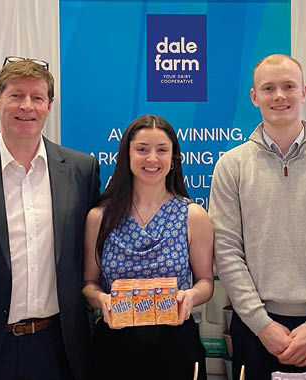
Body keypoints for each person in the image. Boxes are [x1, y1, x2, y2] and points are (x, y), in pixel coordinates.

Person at [0, 57, 100, 380]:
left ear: (49, 106)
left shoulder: (82, 171)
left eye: (37, 97)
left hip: (58, 346)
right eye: (16, 95)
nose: (27, 106)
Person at [209, 54, 306, 380]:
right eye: (269, 88)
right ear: (254, 97)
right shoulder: (231, 166)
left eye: (288, 86)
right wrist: (263, 325)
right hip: (255, 332)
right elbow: (226, 251)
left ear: (303, 91)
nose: (279, 96)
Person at [82, 114, 214, 380]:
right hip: (115, 349)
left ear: (174, 158)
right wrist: (101, 300)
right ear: (127, 155)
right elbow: (88, 283)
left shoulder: (193, 215)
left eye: (162, 150)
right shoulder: (100, 217)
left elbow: (206, 282)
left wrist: (191, 296)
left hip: (176, 346)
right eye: (142, 149)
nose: (152, 159)